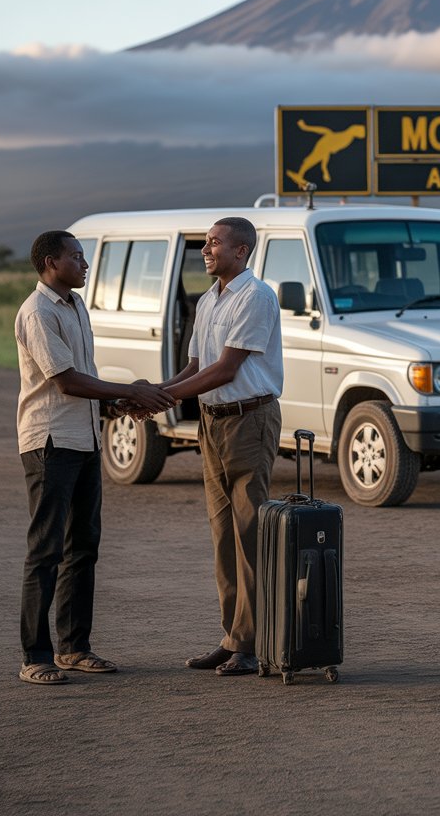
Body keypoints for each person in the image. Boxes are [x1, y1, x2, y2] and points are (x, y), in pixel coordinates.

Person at [15, 231, 176, 685]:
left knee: (83, 546)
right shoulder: (38, 311)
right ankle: (35, 656)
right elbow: (65, 381)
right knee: (45, 551)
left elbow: (86, 381)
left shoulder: (75, 305)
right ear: (51, 262)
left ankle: (74, 648)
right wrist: (132, 390)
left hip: (85, 441)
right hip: (50, 442)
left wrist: (118, 405)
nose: (85, 264)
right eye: (77, 257)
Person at [160, 217, 283, 676]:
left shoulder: (255, 297)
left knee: (250, 533)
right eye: (206, 243)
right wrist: (156, 392)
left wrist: (163, 395)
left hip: (249, 420)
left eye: (215, 243)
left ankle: (251, 645)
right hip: (211, 423)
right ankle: (233, 637)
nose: (206, 250)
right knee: (222, 534)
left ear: (242, 252)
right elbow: (195, 365)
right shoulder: (209, 300)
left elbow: (227, 369)